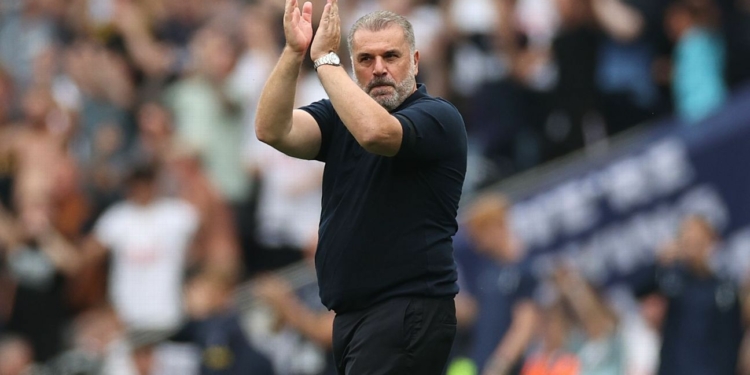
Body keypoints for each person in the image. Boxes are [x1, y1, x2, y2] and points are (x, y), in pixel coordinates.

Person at [254, 0, 468, 373]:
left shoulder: (438, 116)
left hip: (405, 308)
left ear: (415, 61)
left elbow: (375, 133)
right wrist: (294, 52)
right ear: (354, 67)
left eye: (391, 56)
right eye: (366, 60)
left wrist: (325, 61)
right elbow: (272, 129)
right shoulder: (340, 116)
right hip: (356, 317)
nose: (379, 69)